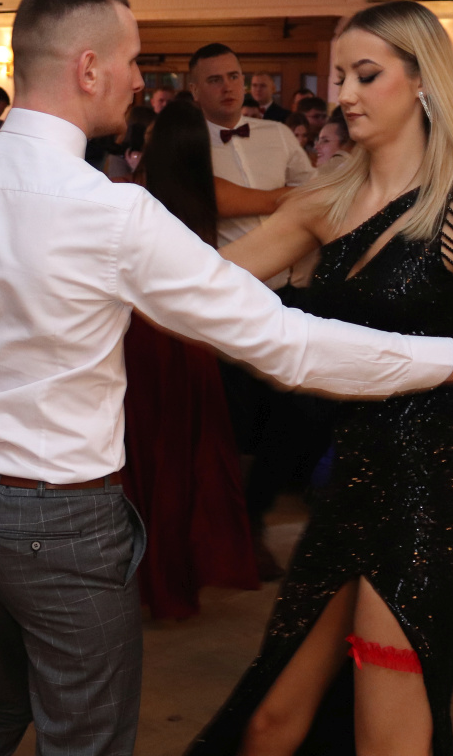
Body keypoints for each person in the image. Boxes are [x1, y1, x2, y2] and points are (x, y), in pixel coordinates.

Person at [0, 0, 453, 756]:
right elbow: (284, 341)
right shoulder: (113, 211)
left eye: (364, 75)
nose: (142, 80)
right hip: (59, 521)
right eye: (133, 60)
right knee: (90, 737)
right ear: (89, 68)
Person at [190, 0, 453, 756]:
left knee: (386, 739)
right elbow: (209, 284)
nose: (345, 95)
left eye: (365, 75)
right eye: (341, 77)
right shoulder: (326, 198)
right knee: (269, 721)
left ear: (422, 80)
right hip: (348, 491)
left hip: (424, 501)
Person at [122, 98, 261, 619]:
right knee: (185, 459)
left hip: (143, 336)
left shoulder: (136, 195)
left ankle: (148, 580)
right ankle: (177, 579)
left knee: (146, 457)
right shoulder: (205, 193)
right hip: (190, 341)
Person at [189, 40, 316, 580]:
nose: (229, 86)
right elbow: (207, 203)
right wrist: (279, 199)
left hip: (287, 294)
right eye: (215, 79)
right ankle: (235, 535)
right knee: (235, 420)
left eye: (235, 75)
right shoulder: (186, 142)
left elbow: (314, 195)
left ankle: (252, 516)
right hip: (226, 301)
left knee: (293, 415)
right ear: (195, 90)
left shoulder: (277, 134)